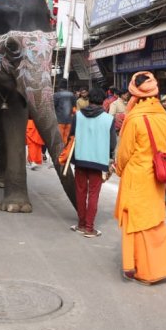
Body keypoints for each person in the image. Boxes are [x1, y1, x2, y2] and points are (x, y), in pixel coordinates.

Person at [114, 71, 166, 284]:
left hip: (136, 175)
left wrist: (118, 169)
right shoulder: (164, 117)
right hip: (158, 176)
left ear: (135, 92)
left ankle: (136, 266)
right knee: (156, 220)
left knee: (135, 220)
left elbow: (124, 153)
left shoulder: (134, 118)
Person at [69, 87, 116, 238]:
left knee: (80, 192)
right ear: (103, 101)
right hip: (98, 161)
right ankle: (89, 228)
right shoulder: (108, 119)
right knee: (93, 193)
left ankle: (81, 224)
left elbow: (71, 136)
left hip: (80, 159)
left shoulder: (78, 116)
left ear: (88, 99)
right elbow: (112, 145)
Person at [53, 79, 76, 144]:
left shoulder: (56, 95)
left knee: (59, 139)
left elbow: (53, 107)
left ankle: (60, 153)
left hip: (59, 121)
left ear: (59, 86)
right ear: (67, 86)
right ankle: (65, 153)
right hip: (69, 120)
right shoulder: (72, 95)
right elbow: (74, 106)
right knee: (67, 139)